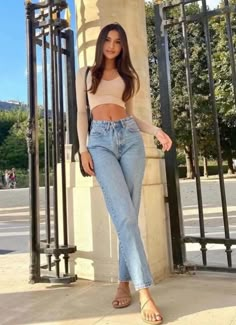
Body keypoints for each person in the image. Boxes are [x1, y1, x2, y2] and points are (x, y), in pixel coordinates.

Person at [76, 23, 172, 325]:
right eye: (108, 39)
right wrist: (83, 150)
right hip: (100, 142)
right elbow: (81, 113)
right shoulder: (85, 74)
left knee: (127, 215)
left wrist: (155, 129)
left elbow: (129, 114)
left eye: (118, 41)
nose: (112, 45)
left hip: (130, 140)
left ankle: (123, 283)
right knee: (126, 217)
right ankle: (144, 291)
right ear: (101, 42)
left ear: (123, 46)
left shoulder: (128, 76)